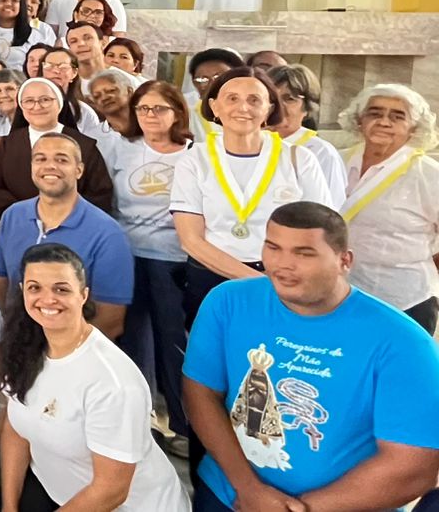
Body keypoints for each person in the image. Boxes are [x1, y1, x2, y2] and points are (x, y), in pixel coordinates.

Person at [185, 203, 439, 512]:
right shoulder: (227, 302)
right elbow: (200, 394)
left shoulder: (403, 342)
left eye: (304, 253)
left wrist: (299, 509)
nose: (283, 264)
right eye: (273, 248)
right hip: (231, 495)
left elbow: (413, 467)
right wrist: (248, 488)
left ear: (345, 261)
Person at [0, 243, 189, 511]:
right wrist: (8, 507)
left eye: (61, 289)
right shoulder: (22, 349)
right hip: (60, 495)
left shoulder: (113, 381)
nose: (47, 299)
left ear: (83, 294)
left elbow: (111, 490)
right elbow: (16, 430)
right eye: (35, 288)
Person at [171, 67, 333, 322]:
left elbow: (321, 230)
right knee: (213, 346)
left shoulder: (298, 158)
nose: (243, 108)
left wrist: (285, 281)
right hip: (213, 276)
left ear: (269, 108)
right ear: (214, 106)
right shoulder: (194, 160)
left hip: (283, 276)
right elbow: (191, 240)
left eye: (254, 100)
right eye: (232, 98)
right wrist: (261, 283)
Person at [95, 80, 194, 451]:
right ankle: (142, 422)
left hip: (174, 258)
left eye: (159, 108)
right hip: (126, 256)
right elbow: (105, 198)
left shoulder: (194, 154)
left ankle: (184, 426)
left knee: (174, 342)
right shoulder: (120, 148)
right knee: (133, 340)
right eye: (143, 108)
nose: (151, 115)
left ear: (177, 112)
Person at [0, 133, 134, 339]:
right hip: (17, 346)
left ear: (79, 170)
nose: (50, 166)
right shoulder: (12, 216)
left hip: (73, 351)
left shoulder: (108, 234)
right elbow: (0, 285)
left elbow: (110, 322)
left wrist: (57, 353)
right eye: (40, 159)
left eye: (61, 160)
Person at [337, 83, 439, 331]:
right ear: (359, 120)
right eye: (375, 113)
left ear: (413, 127)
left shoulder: (428, 174)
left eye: (397, 116)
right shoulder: (335, 160)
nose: (384, 122)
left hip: (405, 299)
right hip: (339, 296)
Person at [0, 78, 115, 215]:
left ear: (59, 104)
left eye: (45, 100)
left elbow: (99, 193)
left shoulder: (84, 145)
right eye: (29, 101)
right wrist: (24, 213)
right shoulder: (8, 144)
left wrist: (61, 214)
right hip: (19, 221)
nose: (37, 107)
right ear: (21, 106)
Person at [262, 63, 349, 201]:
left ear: (308, 107)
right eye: (271, 98)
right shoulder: (248, 144)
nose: (279, 106)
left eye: (289, 99)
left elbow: (329, 208)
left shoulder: (321, 152)